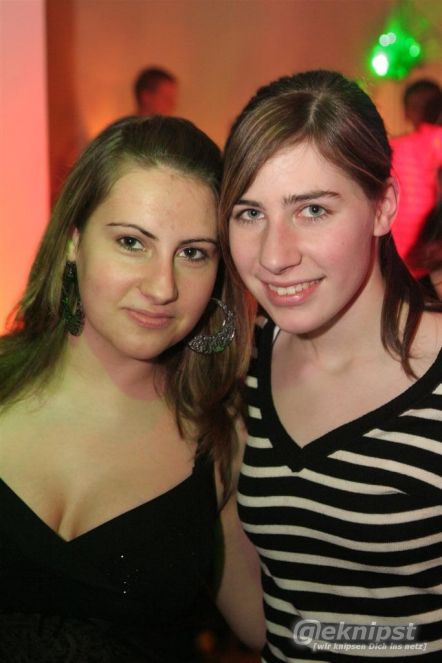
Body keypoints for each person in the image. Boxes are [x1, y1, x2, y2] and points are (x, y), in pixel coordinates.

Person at [0, 115, 264, 661]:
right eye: (131, 242)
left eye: (194, 253)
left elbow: (280, 629)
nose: (163, 287)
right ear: (73, 241)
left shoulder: (223, 438)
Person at [219, 70, 442, 661]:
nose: (274, 256)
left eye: (312, 209)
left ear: (383, 206)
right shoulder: (243, 363)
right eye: (249, 213)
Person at [390, 78, 442, 271]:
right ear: (406, 112)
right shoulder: (394, 150)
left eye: (430, 106)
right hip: (405, 262)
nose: (424, 113)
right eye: (417, 107)